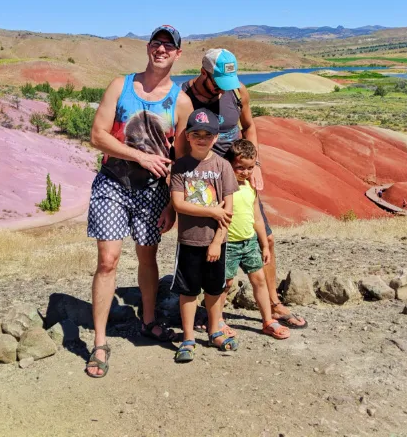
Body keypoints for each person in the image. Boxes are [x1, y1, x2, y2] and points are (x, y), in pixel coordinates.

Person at [85, 25, 193, 378]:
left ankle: (148, 321)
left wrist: (172, 205)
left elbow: (181, 160)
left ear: (178, 54)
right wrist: (138, 156)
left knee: (147, 257)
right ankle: (100, 342)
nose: (161, 49)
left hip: (153, 192)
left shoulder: (181, 102)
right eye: (156, 43)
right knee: (108, 260)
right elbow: (97, 135)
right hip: (113, 183)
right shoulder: (121, 85)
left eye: (168, 46)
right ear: (148, 47)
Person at [179, 48, 307, 329]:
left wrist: (256, 163)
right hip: (206, 179)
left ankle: (272, 303)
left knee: (265, 237)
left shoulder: (237, 92)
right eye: (218, 83)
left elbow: (249, 126)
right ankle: (210, 313)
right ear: (204, 73)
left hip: (239, 175)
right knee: (209, 246)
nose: (223, 90)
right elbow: (178, 142)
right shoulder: (183, 97)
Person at [170, 108, 239, 363]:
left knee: (214, 290)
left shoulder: (223, 167)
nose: (202, 138)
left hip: (215, 244)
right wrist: (210, 210)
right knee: (188, 291)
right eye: (196, 133)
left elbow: (228, 211)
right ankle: (188, 337)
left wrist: (217, 242)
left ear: (216, 137)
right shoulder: (181, 166)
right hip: (188, 240)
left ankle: (215, 331)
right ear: (187, 136)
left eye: (207, 134)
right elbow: (178, 203)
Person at [221, 139, 291, 340]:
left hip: (249, 242)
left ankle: (268, 321)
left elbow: (257, 217)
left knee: (259, 280)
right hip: (230, 244)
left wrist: (264, 245)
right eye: (239, 167)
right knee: (225, 284)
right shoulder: (224, 187)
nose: (245, 172)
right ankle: (217, 320)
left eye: (250, 168)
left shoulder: (251, 187)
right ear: (229, 165)